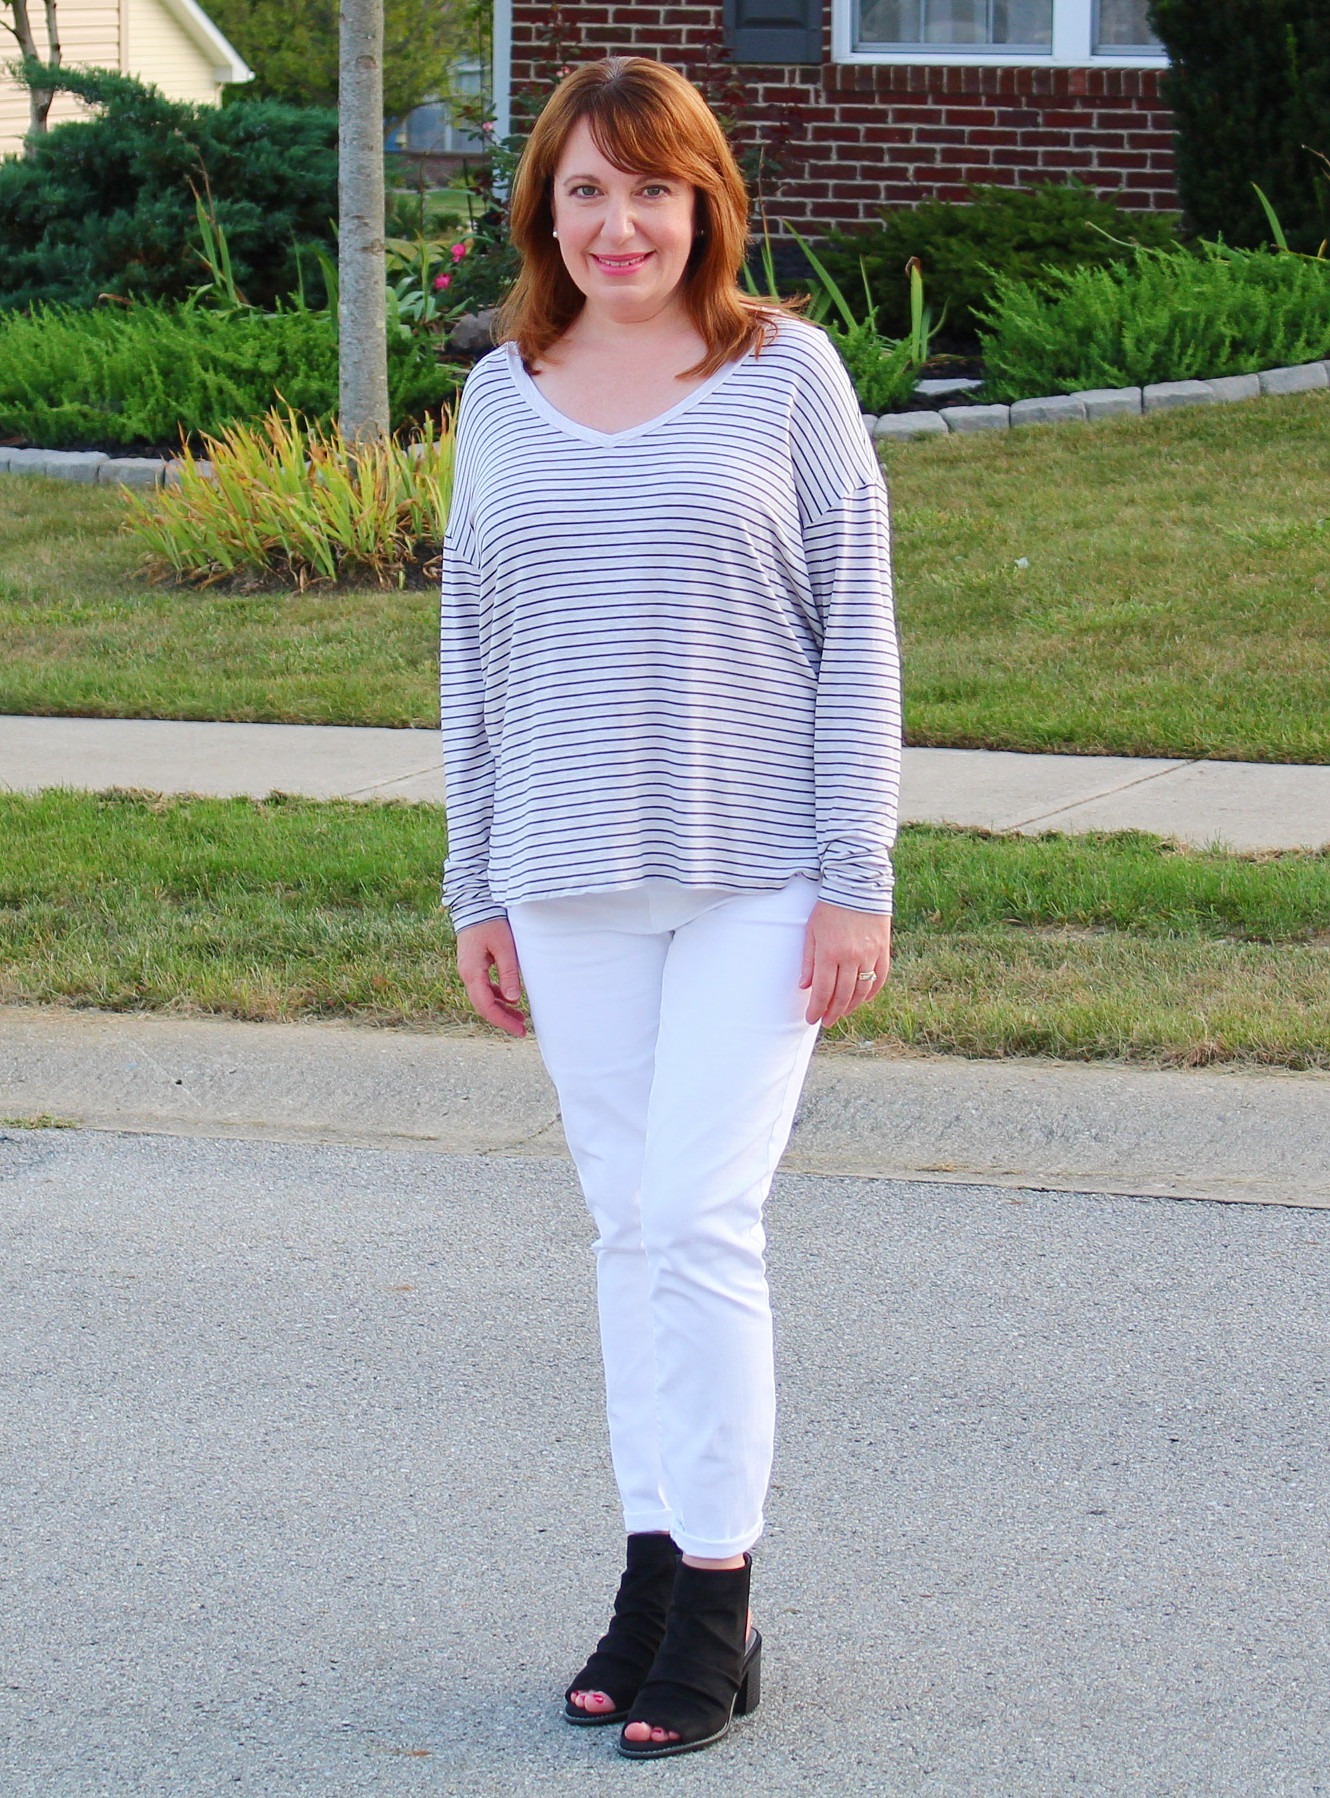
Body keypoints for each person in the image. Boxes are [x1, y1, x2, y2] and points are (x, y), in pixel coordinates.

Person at [440, 55, 901, 1761]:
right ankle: (652, 1572)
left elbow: (858, 636)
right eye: (582, 190)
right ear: (543, 213)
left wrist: (854, 878)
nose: (615, 221)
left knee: (702, 1220)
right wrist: (473, 879)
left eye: (648, 187)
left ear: (703, 200)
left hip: (754, 872)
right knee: (627, 1229)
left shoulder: (784, 377)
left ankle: (717, 1589)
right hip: (565, 873)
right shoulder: (503, 392)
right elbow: (471, 654)